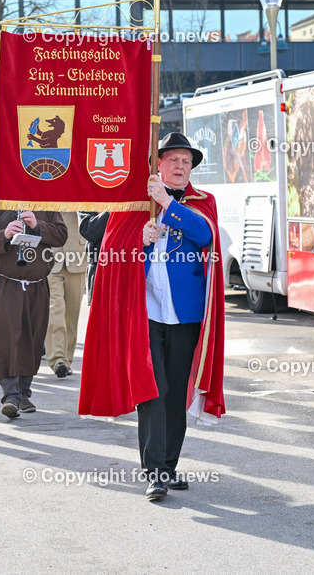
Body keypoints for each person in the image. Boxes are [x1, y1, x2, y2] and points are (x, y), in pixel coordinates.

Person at [78, 133, 225, 501]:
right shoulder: (131, 202)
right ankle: (155, 471)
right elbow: (109, 247)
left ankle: (169, 466)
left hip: (185, 314)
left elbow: (205, 235)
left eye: (186, 162)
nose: (179, 167)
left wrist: (167, 204)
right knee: (152, 392)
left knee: (175, 394)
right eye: (173, 160)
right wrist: (137, 241)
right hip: (142, 313)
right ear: (158, 164)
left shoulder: (202, 202)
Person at [0, 197, 67, 418]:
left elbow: (61, 235)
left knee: (32, 338)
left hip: (36, 284)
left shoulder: (45, 202)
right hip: (2, 282)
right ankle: (10, 393)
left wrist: (37, 226)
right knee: (4, 338)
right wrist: (3, 234)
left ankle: (23, 391)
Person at [43, 212, 88, 378]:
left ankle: (66, 360)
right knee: (55, 310)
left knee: (72, 314)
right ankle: (57, 359)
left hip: (77, 256)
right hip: (50, 258)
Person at [78, 211, 109, 304]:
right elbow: (88, 231)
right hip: (99, 268)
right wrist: (109, 213)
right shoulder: (89, 199)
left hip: (125, 266)